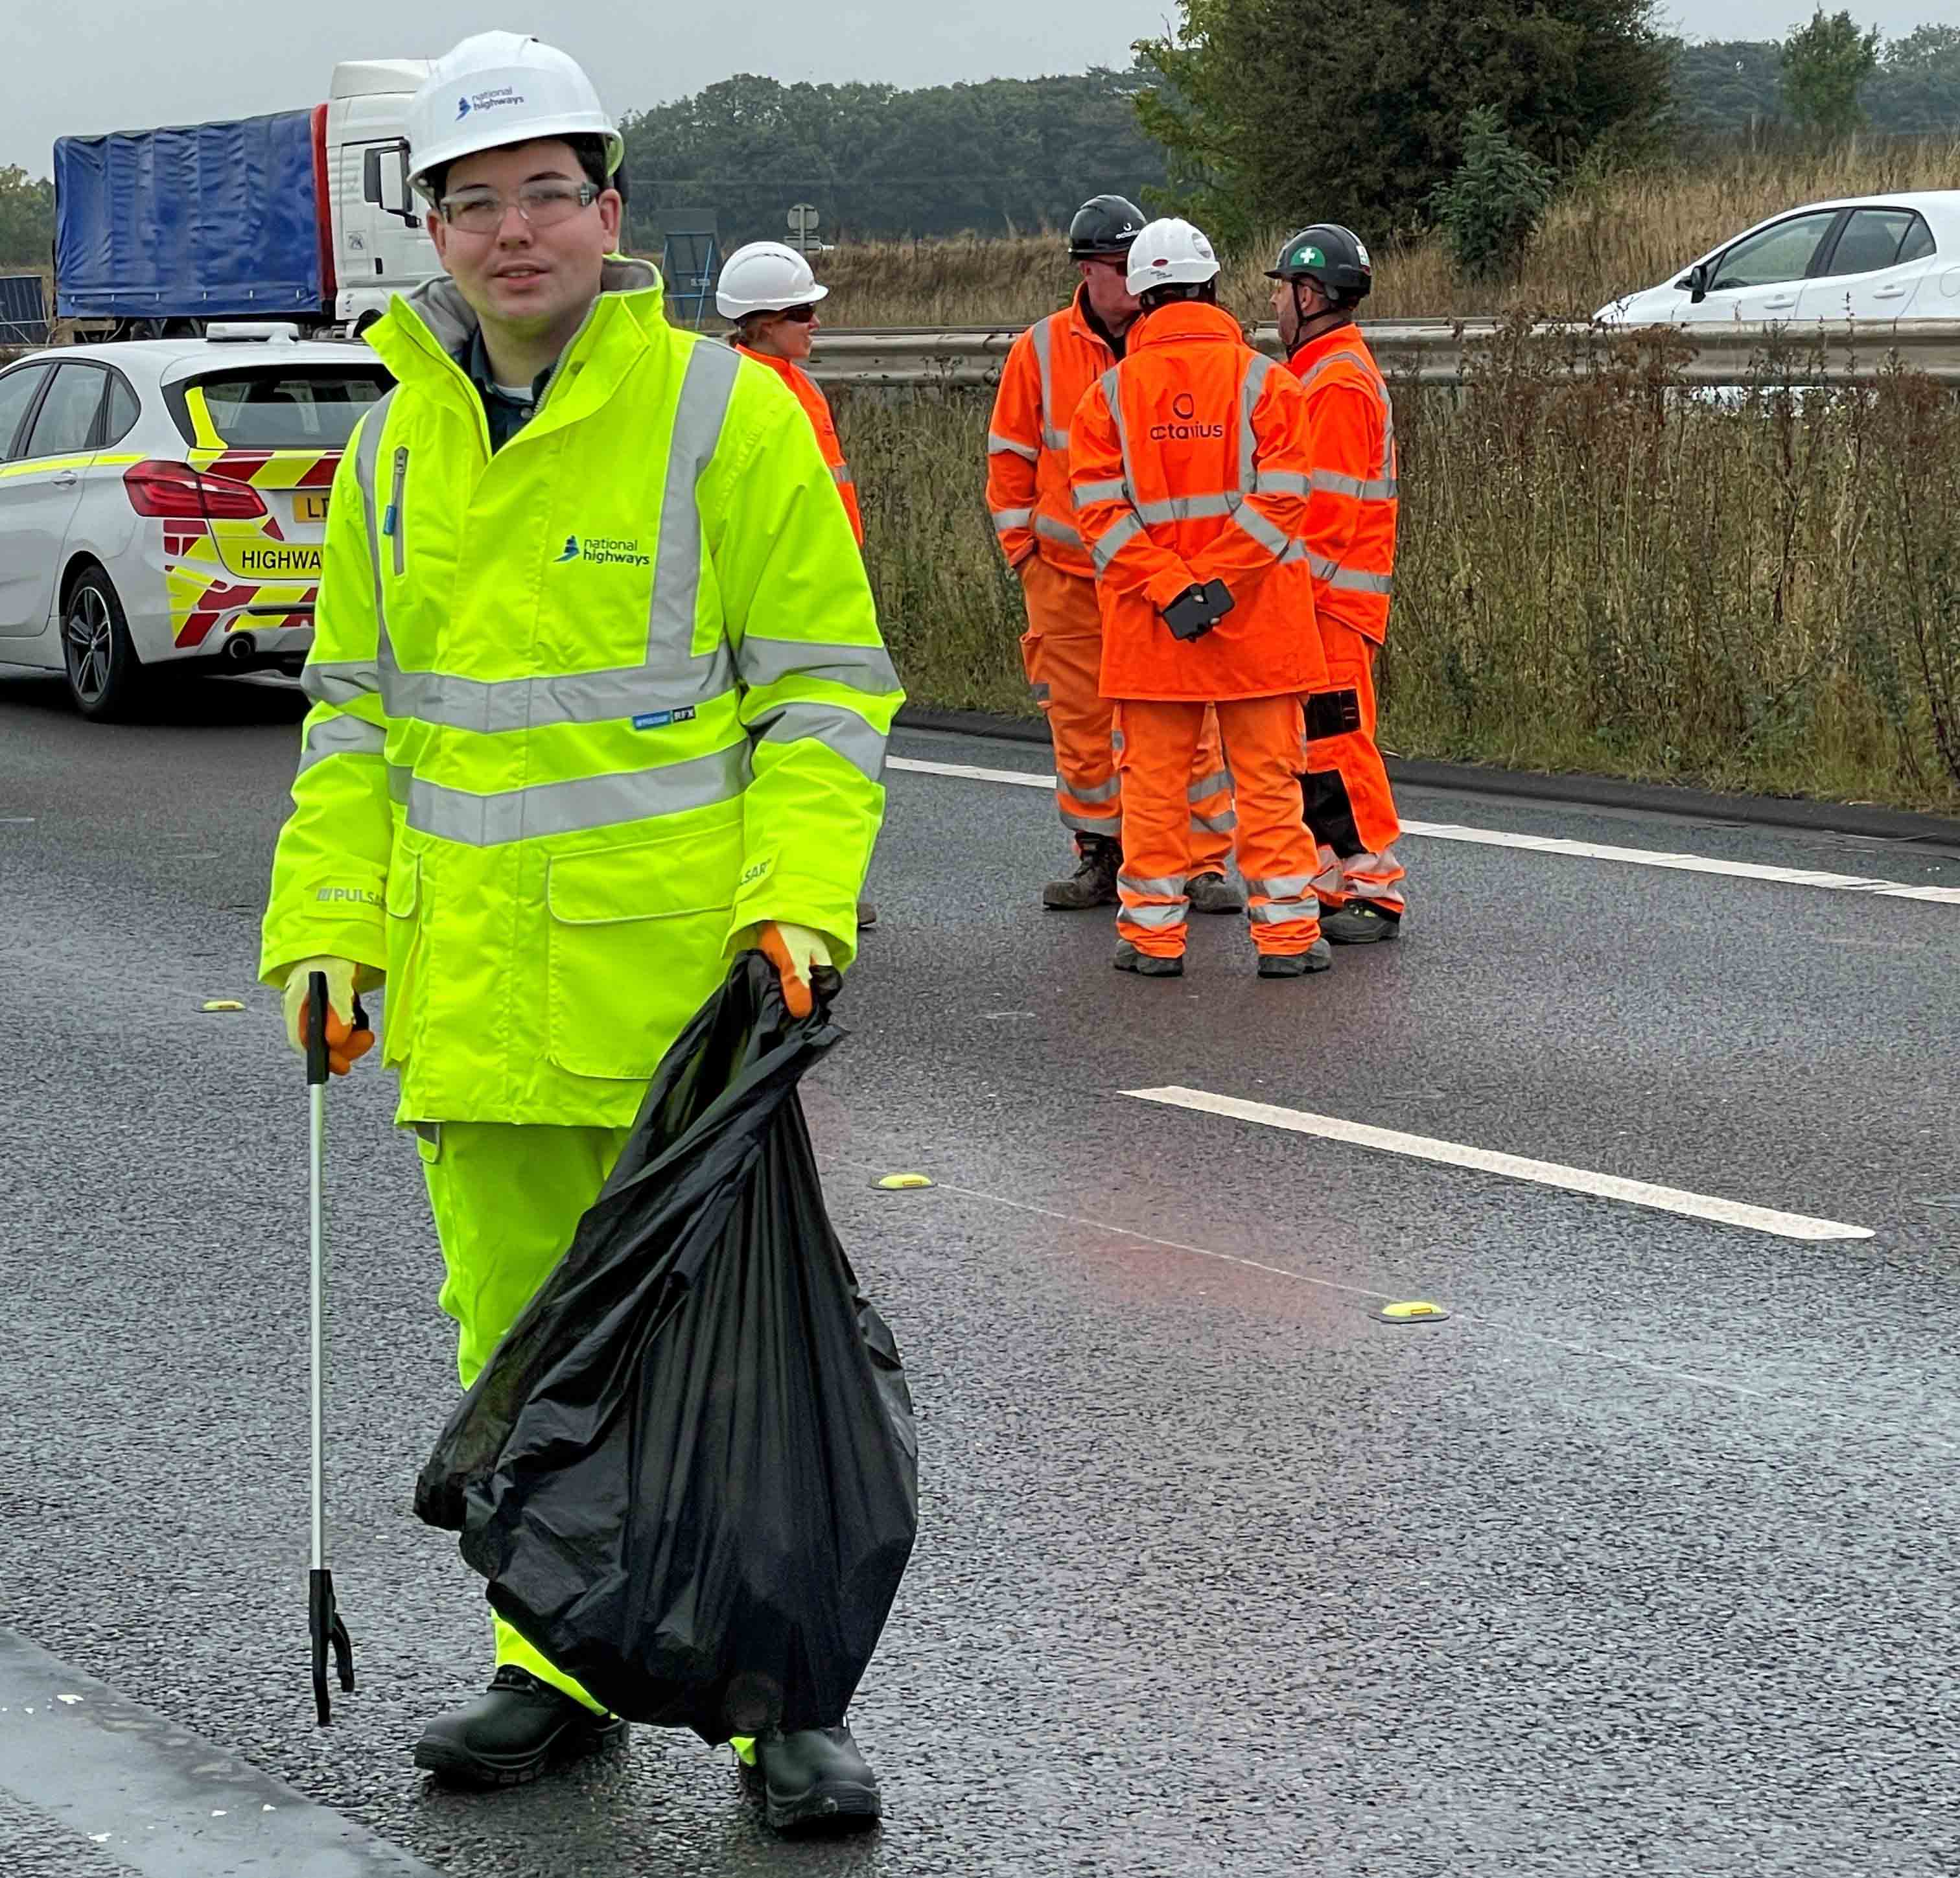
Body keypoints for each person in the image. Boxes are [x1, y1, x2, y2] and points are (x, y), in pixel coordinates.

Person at [257, 32, 901, 1835]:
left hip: (682, 1007)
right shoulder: (392, 451)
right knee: (517, 1349)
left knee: (737, 1366)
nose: (514, 229)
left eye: (548, 192)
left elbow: (828, 700)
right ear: (434, 231)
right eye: (476, 200)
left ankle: (784, 1701)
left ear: (609, 214)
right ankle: (553, 1670)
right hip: (472, 999)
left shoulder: (723, 413)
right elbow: (356, 725)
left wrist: (796, 904)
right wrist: (328, 935)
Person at [1069, 218, 1331, 980]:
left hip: (1155, 633)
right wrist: (1217, 586)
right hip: (1258, 631)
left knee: (1151, 791)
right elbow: (1283, 503)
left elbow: (1099, 518)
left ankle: (1153, 939)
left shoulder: (1107, 396)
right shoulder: (1268, 383)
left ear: (1141, 299)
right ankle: (1284, 938)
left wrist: (1176, 590)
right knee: (1270, 787)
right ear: (1213, 289)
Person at [986, 194, 1241, 915]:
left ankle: (1202, 862)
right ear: (1086, 273)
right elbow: (1010, 459)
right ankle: (1101, 855)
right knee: (1082, 724)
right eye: (1115, 271)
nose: (1131, 288)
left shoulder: (1176, 343)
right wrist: (1024, 555)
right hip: (1067, 578)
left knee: (1193, 724)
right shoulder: (1040, 350)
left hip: (1160, 575)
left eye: (1137, 272)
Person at [718, 240, 881, 929]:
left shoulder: (791, 383)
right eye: (800, 313)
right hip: (774, 595)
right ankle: (771, 888)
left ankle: (802, 882)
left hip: (817, 588)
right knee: (784, 748)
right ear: (759, 322)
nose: (814, 323)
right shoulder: (742, 389)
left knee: (814, 746)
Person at [1267, 224, 1406, 942]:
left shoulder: (1338, 380)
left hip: (1329, 604)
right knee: (1309, 747)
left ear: (1311, 294)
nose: (1277, 311)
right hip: (1318, 602)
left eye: (1283, 293)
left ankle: (1374, 883)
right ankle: (1328, 876)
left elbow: (1324, 514)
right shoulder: (1315, 372)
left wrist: (1280, 599)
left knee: (1338, 745)